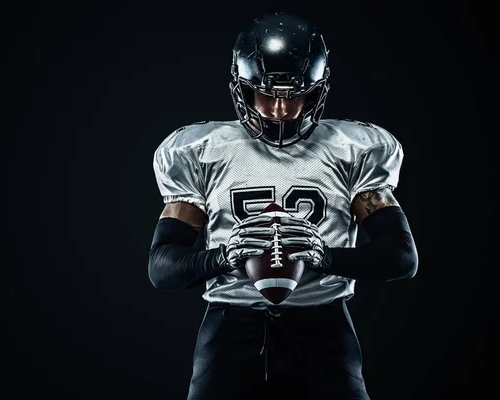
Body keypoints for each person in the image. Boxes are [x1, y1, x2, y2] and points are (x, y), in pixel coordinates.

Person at [147, 11, 418, 400]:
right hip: (229, 330)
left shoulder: (353, 150)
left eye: (295, 96)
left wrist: (327, 258)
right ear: (242, 87)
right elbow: (161, 268)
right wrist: (222, 258)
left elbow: (402, 258)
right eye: (266, 94)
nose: (280, 110)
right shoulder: (201, 152)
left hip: (323, 330)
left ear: (318, 88)